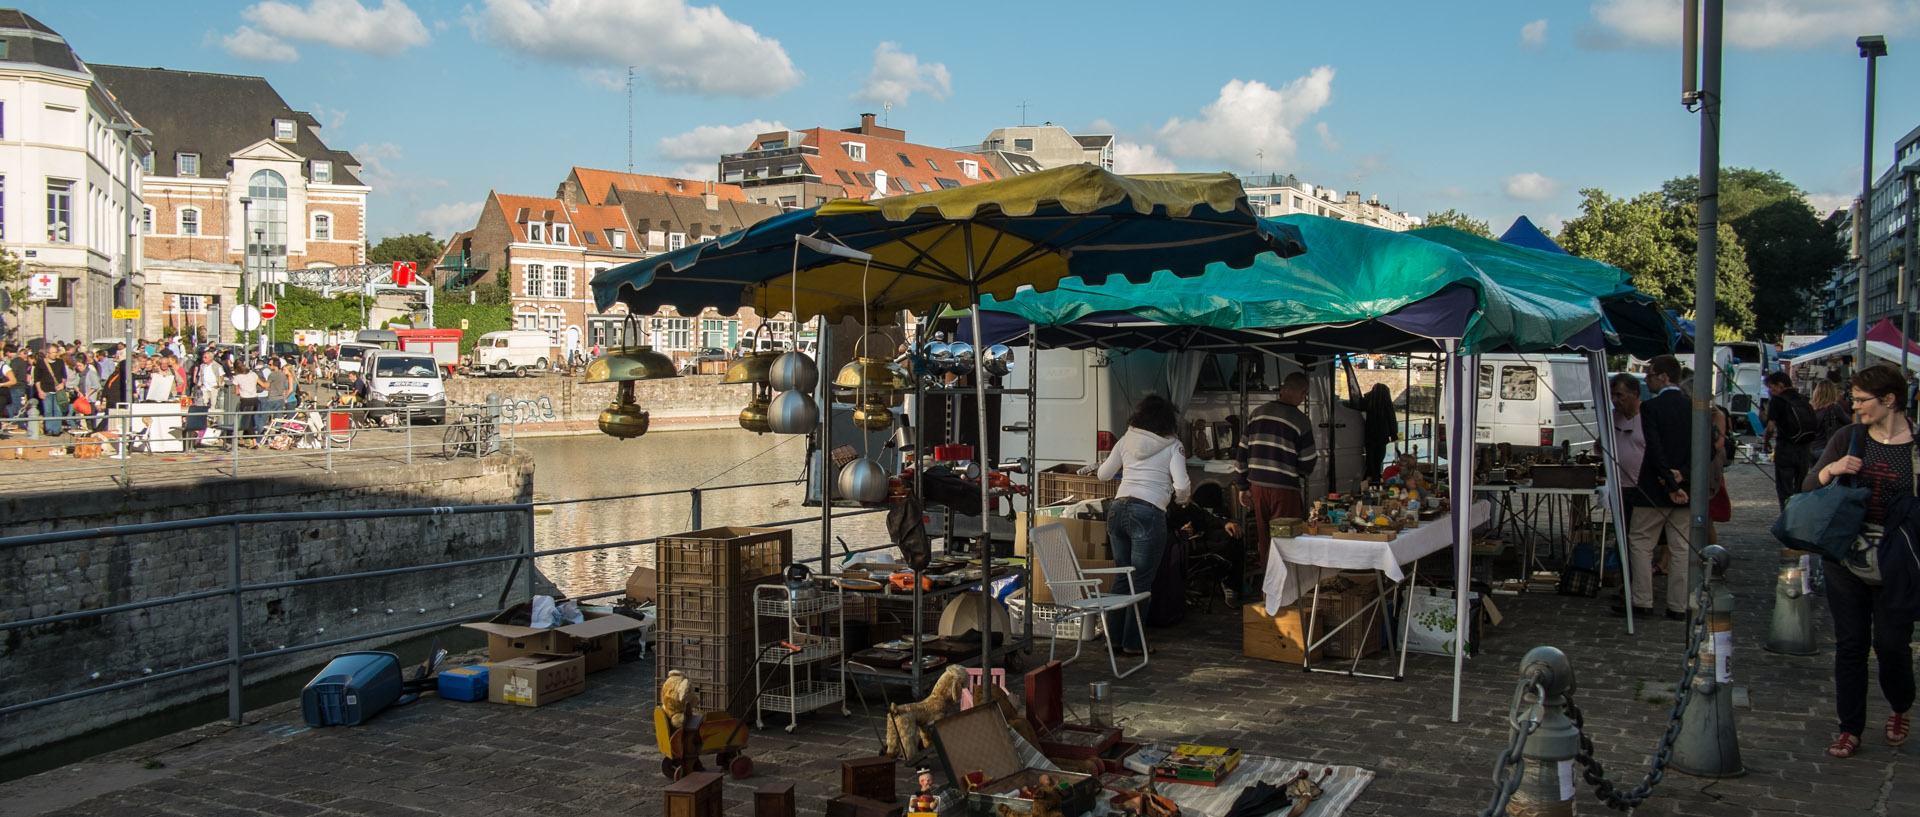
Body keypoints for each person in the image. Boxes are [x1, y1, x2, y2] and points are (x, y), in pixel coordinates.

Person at [1804, 364, 1916, 759]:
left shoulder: (1915, 447)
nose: (1854, 405)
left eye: (1862, 399)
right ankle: (1849, 728)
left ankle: (1900, 705)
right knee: (1850, 646)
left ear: (1889, 400)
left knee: (1892, 646)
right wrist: (1832, 469)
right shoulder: (1848, 437)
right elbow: (1808, 484)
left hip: (1897, 561)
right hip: (1846, 557)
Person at [1094, 394, 1190, 657]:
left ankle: (1112, 639)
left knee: (1122, 577)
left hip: (1118, 508)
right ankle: (1133, 643)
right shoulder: (1173, 445)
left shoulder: (1126, 439)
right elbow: (1181, 484)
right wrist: (1182, 499)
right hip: (1148, 512)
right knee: (1142, 581)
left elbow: (1103, 474)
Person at [1615, 354, 1691, 621]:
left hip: (1653, 489)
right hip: (1684, 487)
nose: (1647, 380)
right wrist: (1682, 475)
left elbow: (1655, 449)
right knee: (1681, 548)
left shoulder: (1652, 408)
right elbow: (1706, 449)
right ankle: (1678, 605)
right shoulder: (1693, 407)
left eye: (1649, 375)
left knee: (1640, 543)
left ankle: (1643, 601)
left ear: (1664, 376)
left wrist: (1668, 481)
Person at [1235, 372, 1319, 575]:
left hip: (1257, 488)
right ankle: (1287, 590)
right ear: (1303, 393)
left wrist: (1242, 486)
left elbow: (1242, 451)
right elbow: (1308, 461)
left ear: (1282, 389)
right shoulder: (1301, 420)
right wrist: (1294, 472)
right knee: (1287, 540)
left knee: (1265, 540)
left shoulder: (1257, 413)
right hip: (1284, 490)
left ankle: (1269, 590)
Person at [1766, 371, 1816, 510]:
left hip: (1785, 448)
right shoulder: (1803, 399)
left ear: (1781, 385)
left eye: (1772, 387)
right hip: (1804, 447)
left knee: (1785, 489)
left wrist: (1766, 443)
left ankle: (1787, 519)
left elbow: (1770, 427)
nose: (1771, 391)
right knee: (1800, 488)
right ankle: (1798, 517)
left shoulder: (1777, 400)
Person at [1813, 380, 1851, 452]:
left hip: (1812, 447)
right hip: (1826, 447)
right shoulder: (1834, 407)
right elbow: (1849, 422)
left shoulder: (1811, 408)